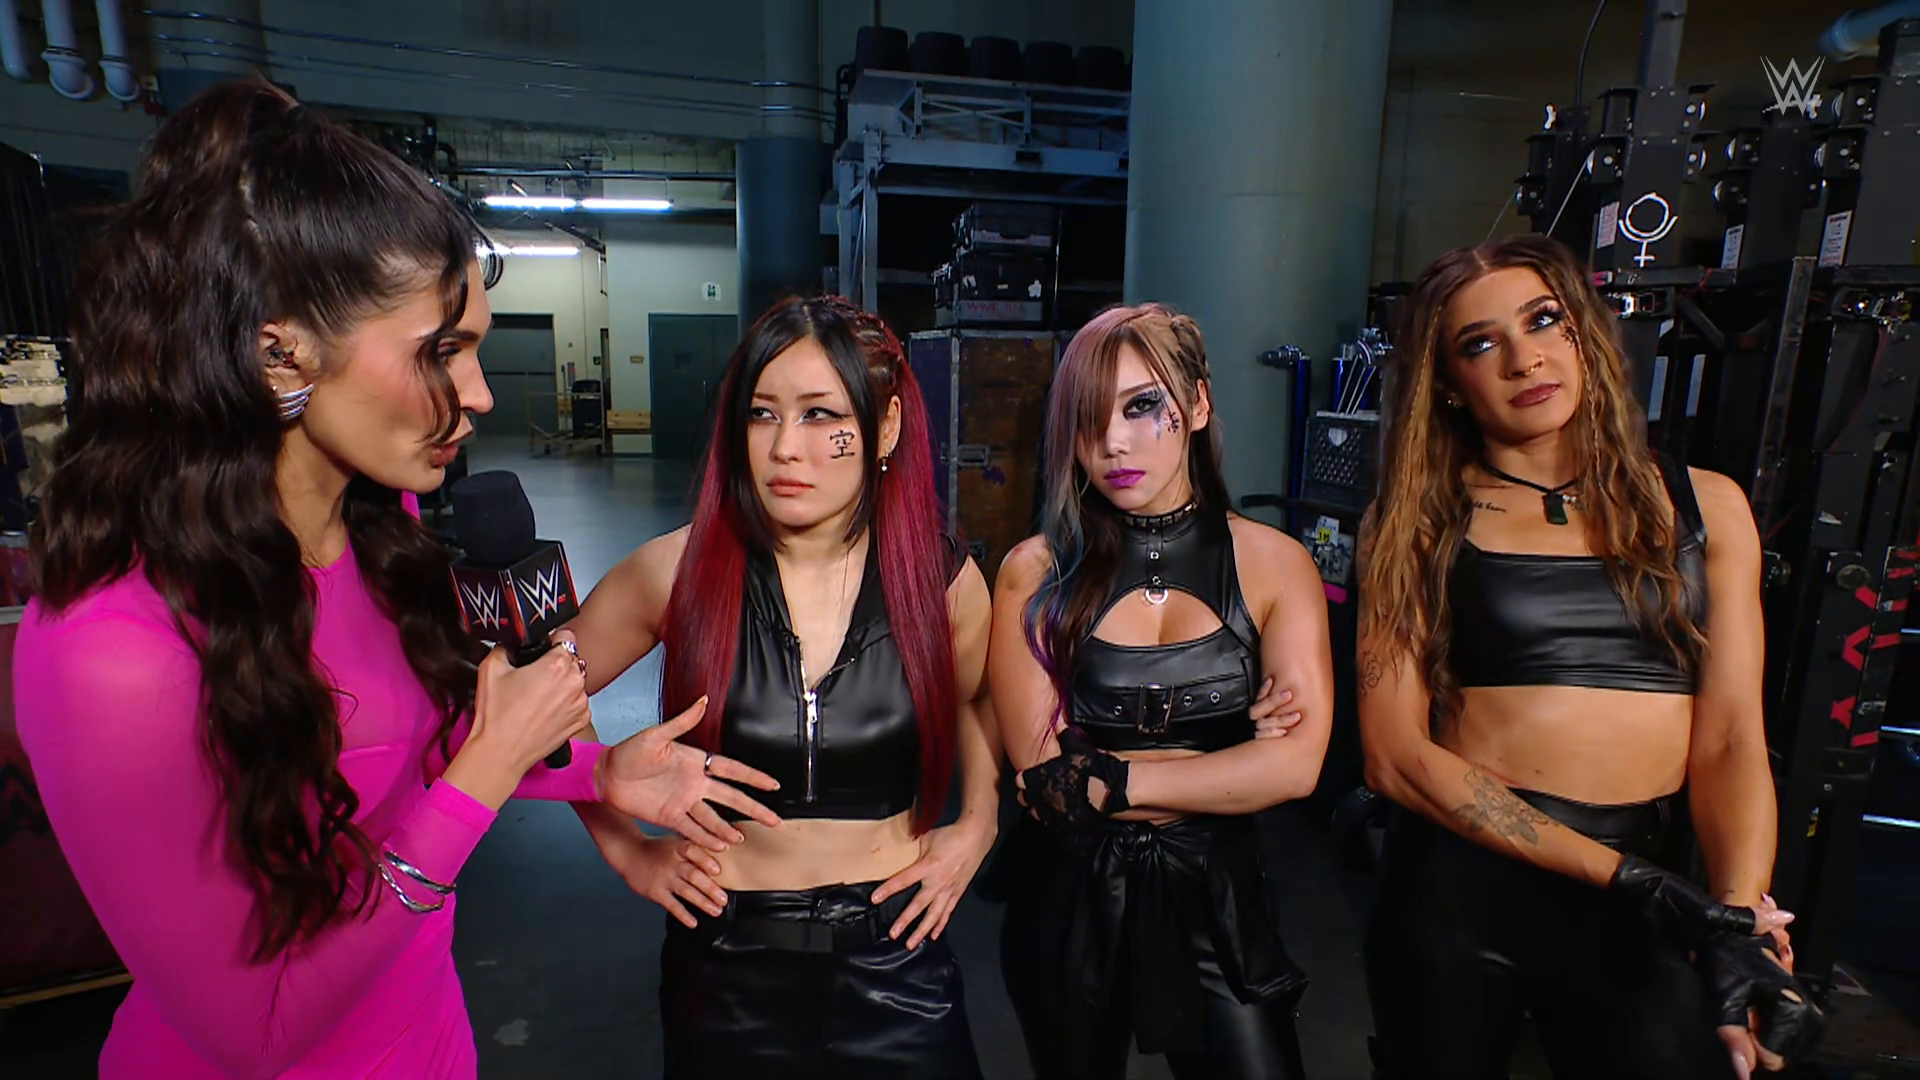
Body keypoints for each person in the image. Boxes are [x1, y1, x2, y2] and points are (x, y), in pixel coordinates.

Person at [14, 80, 777, 1080]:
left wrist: (594, 771)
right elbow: (255, 1032)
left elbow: (407, 756)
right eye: (441, 353)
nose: (480, 395)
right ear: (280, 353)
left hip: (432, 1046)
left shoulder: (380, 529)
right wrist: (486, 773)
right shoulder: (107, 652)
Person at [1357, 234, 1823, 1080]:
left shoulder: (1706, 506)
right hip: (1460, 892)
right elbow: (1395, 757)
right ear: (1448, 383)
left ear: (1583, 333)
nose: (1524, 359)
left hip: (1645, 892)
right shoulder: (1415, 520)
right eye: (1481, 343)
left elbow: (1731, 741)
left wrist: (1737, 921)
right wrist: (1632, 880)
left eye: (1543, 321)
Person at [564, 295, 998, 1078]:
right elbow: (528, 700)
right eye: (762, 415)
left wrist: (980, 821)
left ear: (885, 428)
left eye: (819, 414)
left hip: (897, 956)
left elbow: (972, 701)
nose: (784, 448)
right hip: (727, 966)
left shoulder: (943, 583)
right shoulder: (674, 571)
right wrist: (626, 848)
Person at [988, 303, 1333, 1080]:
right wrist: (1230, 765)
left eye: (1142, 406)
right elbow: (1054, 790)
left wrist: (1116, 778)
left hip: (1216, 892)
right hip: (1068, 896)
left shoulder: (1275, 564)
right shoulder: (1034, 571)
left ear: (1198, 404)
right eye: (1088, 418)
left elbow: (1296, 767)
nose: (1112, 442)